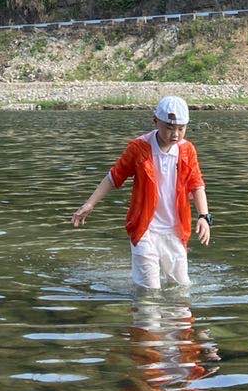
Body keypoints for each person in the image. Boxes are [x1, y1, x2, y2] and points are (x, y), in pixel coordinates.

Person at [71, 95, 211, 289]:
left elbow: (197, 184)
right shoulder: (139, 148)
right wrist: (90, 203)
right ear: (155, 121)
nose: (176, 134)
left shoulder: (187, 150)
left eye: (181, 128)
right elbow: (114, 176)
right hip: (145, 228)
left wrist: (204, 216)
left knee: (181, 288)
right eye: (169, 127)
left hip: (176, 230)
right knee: (149, 291)